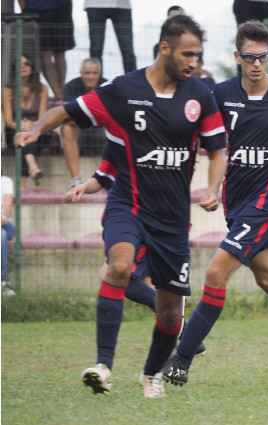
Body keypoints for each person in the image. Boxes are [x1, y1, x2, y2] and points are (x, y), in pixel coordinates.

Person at [15, 14, 227, 399]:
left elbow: (218, 150)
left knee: (170, 313)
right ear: (165, 49)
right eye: (188, 54)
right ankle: (103, 365)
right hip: (127, 204)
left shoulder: (201, 95)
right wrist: (34, 130)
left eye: (198, 55)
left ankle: (150, 375)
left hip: (173, 219)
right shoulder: (123, 90)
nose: (194, 62)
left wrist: (214, 187)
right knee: (119, 266)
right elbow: (66, 110)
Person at [162, 20, 268, 387]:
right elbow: (210, 143)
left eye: (263, 57)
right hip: (236, 200)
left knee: (214, 273)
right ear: (237, 57)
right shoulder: (221, 94)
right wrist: (211, 187)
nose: (257, 64)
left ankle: (180, 360)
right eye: (249, 57)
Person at [65, 154, 208, 358]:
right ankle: (186, 338)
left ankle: (185, 333)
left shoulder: (148, 137)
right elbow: (102, 175)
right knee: (146, 285)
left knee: (111, 274)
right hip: (144, 220)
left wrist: (188, 154)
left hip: (151, 221)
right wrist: (83, 188)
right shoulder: (124, 139)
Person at [2, 54, 48, 188]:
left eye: (27, 63)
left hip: (37, 131)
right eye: (19, 64)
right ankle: (32, 167)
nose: (23, 66)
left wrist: (32, 125)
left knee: (26, 137)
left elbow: (43, 117)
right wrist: (21, 125)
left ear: (32, 67)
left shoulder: (42, 89)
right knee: (22, 136)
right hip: (14, 131)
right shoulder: (7, 90)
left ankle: (24, 183)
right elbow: (8, 121)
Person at [61, 58, 108, 190]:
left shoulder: (107, 86)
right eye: (87, 73)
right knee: (67, 128)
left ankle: (108, 177)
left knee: (116, 129)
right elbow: (66, 115)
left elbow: (114, 113)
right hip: (79, 130)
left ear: (100, 73)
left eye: (94, 73)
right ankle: (75, 179)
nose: (90, 76)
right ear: (81, 73)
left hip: (101, 131)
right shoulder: (71, 86)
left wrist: (81, 114)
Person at [19, 0, 75, 100]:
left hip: (62, 7)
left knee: (60, 52)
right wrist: (24, 8)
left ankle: (62, 93)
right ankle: (58, 95)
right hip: (36, 9)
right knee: (45, 53)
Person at [84, 0, 137, 75]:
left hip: (122, 5)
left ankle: (132, 83)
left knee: (128, 50)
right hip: (94, 4)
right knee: (96, 50)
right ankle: (97, 85)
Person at [1, 171, 16, 296]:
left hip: (5, 223)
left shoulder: (6, 181)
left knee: (2, 233)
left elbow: (6, 212)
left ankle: (3, 281)